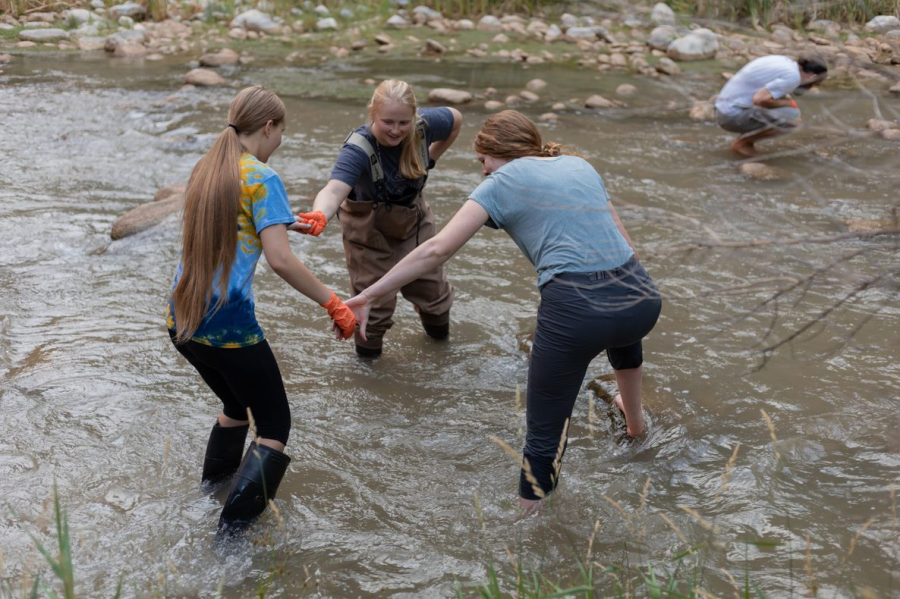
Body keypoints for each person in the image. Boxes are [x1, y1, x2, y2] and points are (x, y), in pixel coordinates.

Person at [345, 110, 662, 512]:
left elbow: (437, 249)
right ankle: (636, 428)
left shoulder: (502, 182)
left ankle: (527, 536)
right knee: (620, 331)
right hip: (641, 296)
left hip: (577, 310)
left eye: (482, 161)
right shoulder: (579, 165)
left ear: (498, 153)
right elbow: (625, 245)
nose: (482, 172)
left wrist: (370, 294)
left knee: (543, 438)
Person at [165, 86, 356, 533]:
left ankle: (211, 491)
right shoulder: (263, 177)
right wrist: (334, 302)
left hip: (181, 322)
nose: (281, 142)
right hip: (229, 326)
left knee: (236, 402)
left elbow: (232, 218)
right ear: (268, 127)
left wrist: (286, 219)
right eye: (282, 132)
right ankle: (230, 540)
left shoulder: (208, 168)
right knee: (274, 426)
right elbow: (281, 260)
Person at [290, 79, 462, 358]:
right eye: (388, 122)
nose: (396, 130)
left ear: (415, 117)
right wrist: (320, 213)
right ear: (373, 114)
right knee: (373, 310)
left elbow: (456, 120)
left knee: (434, 296)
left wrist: (430, 158)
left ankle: (442, 353)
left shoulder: (425, 126)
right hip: (368, 234)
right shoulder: (358, 148)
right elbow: (334, 188)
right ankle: (368, 372)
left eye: (403, 123)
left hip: (415, 223)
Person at [715, 54, 828, 156]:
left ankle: (747, 138)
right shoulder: (793, 77)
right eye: (816, 83)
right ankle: (742, 143)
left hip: (722, 108)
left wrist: (786, 102)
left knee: (788, 111)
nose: (812, 87)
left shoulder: (784, 61)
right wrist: (789, 103)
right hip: (730, 116)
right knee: (794, 120)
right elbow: (759, 100)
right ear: (812, 77)